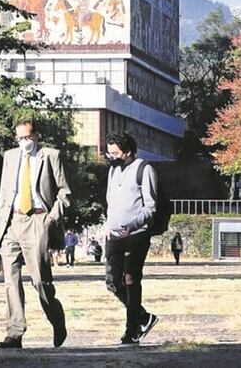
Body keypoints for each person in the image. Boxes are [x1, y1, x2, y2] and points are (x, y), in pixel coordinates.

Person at [0, 120, 70, 350]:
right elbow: (4, 193)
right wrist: (1, 227)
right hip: (11, 222)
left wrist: (51, 218)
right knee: (11, 279)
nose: (23, 143)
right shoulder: (9, 157)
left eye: (27, 138)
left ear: (36, 136)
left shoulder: (51, 156)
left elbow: (65, 192)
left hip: (38, 220)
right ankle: (14, 333)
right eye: (19, 139)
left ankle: (56, 319)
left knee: (40, 281)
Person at [103, 131, 159, 346]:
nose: (111, 157)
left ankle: (132, 329)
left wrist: (132, 224)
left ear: (127, 151)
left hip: (136, 235)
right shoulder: (112, 171)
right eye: (109, 153)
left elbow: (150, 207)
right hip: (114, 235)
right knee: (113, 282)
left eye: (115, 153)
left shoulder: (144, 170)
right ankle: (143, 317)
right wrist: (108, 225)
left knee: (130, 279)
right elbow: (110, 201)